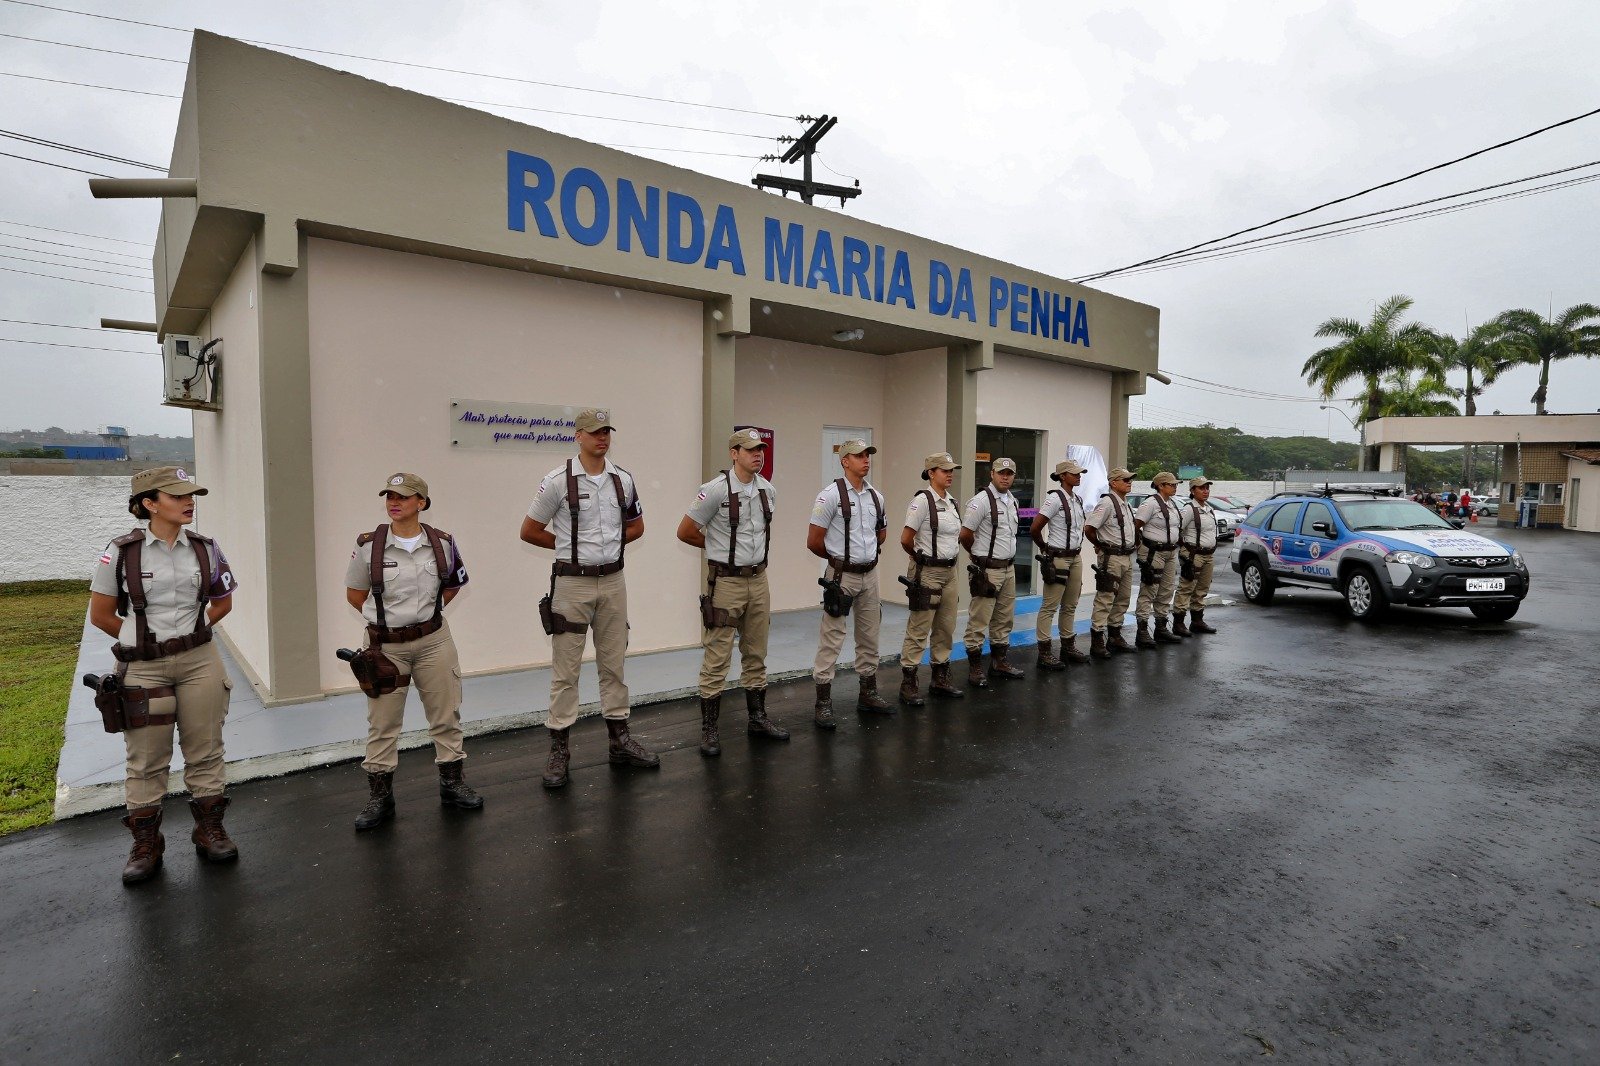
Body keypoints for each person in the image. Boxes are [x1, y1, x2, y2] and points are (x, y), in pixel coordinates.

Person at [88, 466, 239, 884]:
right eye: (177, 496)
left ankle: (209, 829)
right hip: (143, 666)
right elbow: (101, 614)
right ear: (149, 504)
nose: (189, 502)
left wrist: (190, 633)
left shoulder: (205, 548)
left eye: (191, 495)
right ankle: (146, 843)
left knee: (206, 746)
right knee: (147, 757)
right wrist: (142, 641)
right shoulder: (122, 552)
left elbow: (223, 601)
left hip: (198, 661)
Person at [521, 408, 658, 788]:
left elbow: (637, 525)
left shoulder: (622, 480)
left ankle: (619, 741)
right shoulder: (556, 482)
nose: (602, 438)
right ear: (578, 436)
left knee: (613, 665)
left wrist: (610, 547)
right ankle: (559, 750)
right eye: (595, 432)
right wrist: (569, 548)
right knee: (566, 671)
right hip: (572, 585)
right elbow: (530, 530)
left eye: (606, 432)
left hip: (614, 582)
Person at [343, 472, 482, 831]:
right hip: (384, 646)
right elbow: (355, 595)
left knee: (446, 713)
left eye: (403, 496)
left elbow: (452, 585)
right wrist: (386, 625)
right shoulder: (369, 546)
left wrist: (423, 619)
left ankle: (452, 783)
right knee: (383, 722)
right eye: (390, 495)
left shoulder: (442, 543)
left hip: (434, 641)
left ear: (421, 502)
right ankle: (380, 796)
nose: (395, 502)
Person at [676, 429, 787, 755]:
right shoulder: (714, 491)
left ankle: (758, 718)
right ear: (734, 453)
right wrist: (718, 550)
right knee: (717, 657)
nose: (758, 454)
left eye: (761, 449)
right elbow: (685, 531)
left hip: (759, 580)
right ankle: (710, 729)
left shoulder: (768, 491)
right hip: (725, 583)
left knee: (756, 652)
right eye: (750, 449)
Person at [808, 438, 889, 727]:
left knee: (870, 634)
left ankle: (868, 692)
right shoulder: (829, 496)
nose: (865, 459)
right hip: (841, 576)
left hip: (870, 574)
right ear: (845, 461)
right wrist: (838, 561)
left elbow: (881, 533)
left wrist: (864, 555)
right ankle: (823, 701)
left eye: (868, 454)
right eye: (858, 455)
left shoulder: (876, 497)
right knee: (832, 638)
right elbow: (814, 541)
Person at [897, 452, 966, 705]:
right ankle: (909, 682)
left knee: (946, 626)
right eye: (944, 470)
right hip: (928, 572)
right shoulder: (921, 501)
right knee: (919, 627)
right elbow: (906, 539)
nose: (949, 474)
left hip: (950, 571)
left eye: (951, 470)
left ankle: (940, 678)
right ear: (931, 473)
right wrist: (919, 559)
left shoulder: (953, 503)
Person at [960, 457, 1026, 686]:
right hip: (987, 570)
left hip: (1008, 568)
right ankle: (975, 669)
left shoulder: (1013, 501)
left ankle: (999, 663)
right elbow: (965, 534)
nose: (1005, 477)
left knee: (1004, 619)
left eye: (1009, 473)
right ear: (992, 474)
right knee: (979, 619)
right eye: (1001, 473)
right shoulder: (980, 502)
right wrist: (977, 555)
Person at [1030, 459, 1091, 669]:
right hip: (1059, 557)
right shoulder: (1054, 499)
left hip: (1075, 557)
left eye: (1079, 473)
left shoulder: (1078, 499)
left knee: (1071, 604)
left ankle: (1068, 646)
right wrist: (1045, 548)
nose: (1078, 476)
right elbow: (1035, 528)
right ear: (1063, 476)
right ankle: (1044, 653)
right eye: (1074, 473)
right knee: (1050, 606)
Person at [1083, 467, 1139, 658]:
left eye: (1130, 479)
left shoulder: (1126, 504)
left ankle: (1115, 636)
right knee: (1105, 598)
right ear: (1113, 483)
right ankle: (1097, 641)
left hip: (1126, 557)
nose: (1129, 482)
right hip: (1112, 557)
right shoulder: (1106, 503)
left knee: (1123, 598)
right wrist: (1100, 545)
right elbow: (1089, 528)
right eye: (1125, 479)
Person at [1133, 471, 1185, 647]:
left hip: (1170, 552)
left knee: (1166, 589)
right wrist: (1142, 546)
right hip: (1154, 551)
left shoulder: (1172, 504)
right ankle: (1142, 631)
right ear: (1160, 486)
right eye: (1171, 484)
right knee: (1149, 589)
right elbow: (1136, 526)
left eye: (1175, 484)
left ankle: (1161, 628)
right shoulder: (1150, 504)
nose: (1175, 486)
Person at [1172, 476, 1220, 637]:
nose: (1205, 491)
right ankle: (1178, 624)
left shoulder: (1208, 508)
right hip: (1193, 554)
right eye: (1201, 488)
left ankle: (1197, 621)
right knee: (1186, 588)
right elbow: (1177, 530)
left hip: (1208, 555)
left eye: (1207, 488)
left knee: (1202, 589)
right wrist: (1186, 549)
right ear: (1193, 491)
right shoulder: (1188, 509)